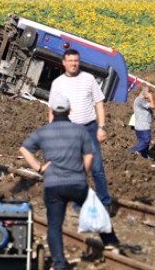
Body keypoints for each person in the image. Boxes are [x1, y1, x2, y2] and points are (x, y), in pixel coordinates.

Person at [20, 94, 119, 270]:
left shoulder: (43, 131)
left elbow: (25, 149)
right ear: (70, 111)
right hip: (77, 183)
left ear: (51, 111)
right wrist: (83, 173)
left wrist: (39, 168)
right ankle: (110, 241)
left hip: (53, 185)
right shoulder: (79, 131)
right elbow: (89, 155)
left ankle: (59, 263)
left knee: (54, 226)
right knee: (97, 209)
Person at [48, 49, 116, 216]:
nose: (73, 64)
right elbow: (52, 110)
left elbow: (99, 104)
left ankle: (104, 202)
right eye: (70, 61)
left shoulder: (88, 79)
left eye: (76, 61)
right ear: (64, 63)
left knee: (97, 168)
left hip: (90, 128)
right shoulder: (57, 83)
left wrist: (102, 127)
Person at [129, 84, 155, 159]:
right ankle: (131, 152)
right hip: (143, 126)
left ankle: (145, 157)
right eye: (147, 91)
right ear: (143, 92)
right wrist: (151, 98)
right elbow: (153, 106)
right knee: (146, 141)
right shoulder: (140, 100)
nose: (149, 93)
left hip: (142, 126)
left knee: (145, 145)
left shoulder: (142, 101)